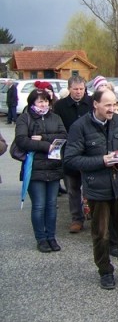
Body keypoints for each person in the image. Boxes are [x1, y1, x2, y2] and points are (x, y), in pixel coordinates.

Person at [64, 89, 118, 290]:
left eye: (115, 104)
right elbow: (71, 159)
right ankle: (105, 271)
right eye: (108, 105)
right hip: (97, 188)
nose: (113, 109)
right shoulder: (80, 126)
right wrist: (102, 161)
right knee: (101, 234)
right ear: (96, 104)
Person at [14, 88, 67, 252]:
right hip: (34, 167)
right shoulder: (25, 118)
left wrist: (44, 138)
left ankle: (51, 236)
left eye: (45, 100)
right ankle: (41, 238)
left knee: (51, 205)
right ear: (32, 103)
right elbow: (22, 141)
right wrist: (47, 146)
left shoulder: (55, 117)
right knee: (39, 205)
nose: (43, 104)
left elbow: (64, 135)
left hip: (53, 166)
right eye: (40, 101)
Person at [53, 75, 92, 233]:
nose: (78, 92)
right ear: (69, 89)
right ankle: (77, 218)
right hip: (69, 153)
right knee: (72, 188)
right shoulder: (60, 106)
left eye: (81, 89)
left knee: (91, 187)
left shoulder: (91, 103)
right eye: (75, 89)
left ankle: (94, 215)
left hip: (89, 152)